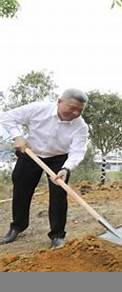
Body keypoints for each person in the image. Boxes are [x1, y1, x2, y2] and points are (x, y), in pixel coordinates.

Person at [0, 89, 89, 249]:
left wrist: (66, 169)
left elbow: (77, 151)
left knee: (58, 194)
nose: (75, 112)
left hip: (59, 159)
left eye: (80, 110)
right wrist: (18, 136)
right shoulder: (38, 109)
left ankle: (57, 235)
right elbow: (7, 117)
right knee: (21, 188)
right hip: (31, 152)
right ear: (59, 101)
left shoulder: (81, 126)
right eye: (72, 107)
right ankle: (17, 226)